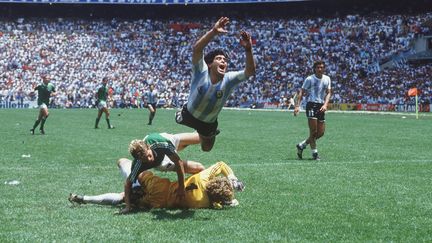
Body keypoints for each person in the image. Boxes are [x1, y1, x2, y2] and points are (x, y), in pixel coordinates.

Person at [175, 17, 256, 152]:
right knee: (183, 121)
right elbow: (197, 49)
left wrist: (248, 49)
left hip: (208, 122)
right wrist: (213, 31)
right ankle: (183, 137)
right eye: (219, 59)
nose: (223, 61)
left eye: (225, 60)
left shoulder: (229, 80)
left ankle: (199, 135)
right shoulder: (201, 71)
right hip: (189, 115)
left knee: (207, 148)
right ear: (210, 64)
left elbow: (250, 71)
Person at [69, 161, 244, 211]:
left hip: (160, 186)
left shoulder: (203, 179)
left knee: (124, 162)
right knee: (124, 197)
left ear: (214, 183)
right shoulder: (204, 203)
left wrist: (232, 178)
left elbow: (220, 164)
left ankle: (131, 179)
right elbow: (218, 203)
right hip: (159, 202)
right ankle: (86, 199)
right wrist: (229, 201)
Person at [121, 132, 206, 214]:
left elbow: (178, 162)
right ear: (139, 159)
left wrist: (181, 187)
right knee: (199, 168)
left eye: (149, 156)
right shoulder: (138, 164)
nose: (149, 160)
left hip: (166, 142)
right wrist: (127, 207)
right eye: (144, 160)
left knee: (201, 138)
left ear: (148, 147)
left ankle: (205, 132)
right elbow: (127, 184)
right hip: (161, 163)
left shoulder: (160, 142)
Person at [294, 60, 332, 160]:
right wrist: (297, 106)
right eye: (318, 67)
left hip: (321, 106)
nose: (320, 69)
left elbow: (328, 93)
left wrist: (325, 104)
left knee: (321, 133)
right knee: (313, 132)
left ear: (324, 68)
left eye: (322, 67)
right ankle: (315, 154)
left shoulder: (327, 79)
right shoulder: (310, 79)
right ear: (314, 69)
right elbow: (301, 91)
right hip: (311, 105)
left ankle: (302, 145)